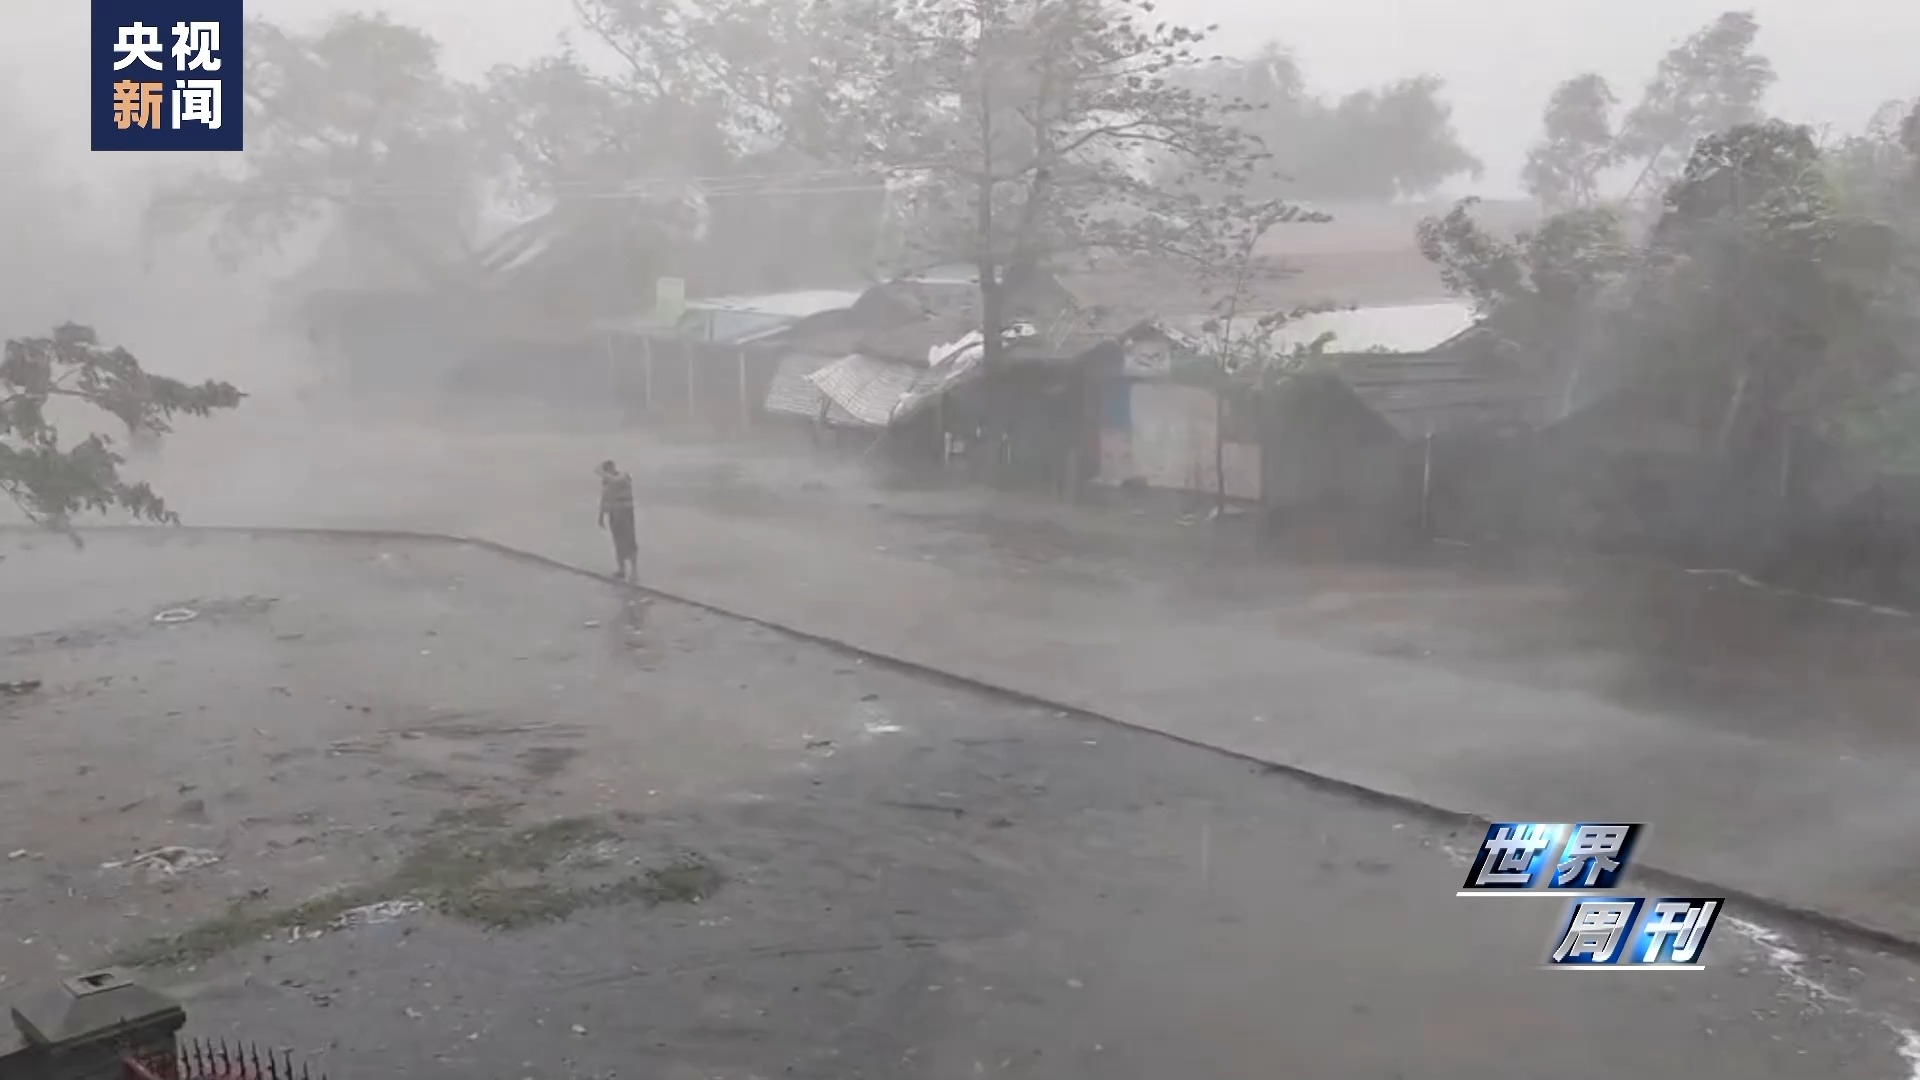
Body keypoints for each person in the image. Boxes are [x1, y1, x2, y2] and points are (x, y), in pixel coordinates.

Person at [597, 460, 637, 581]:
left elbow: (616, 482)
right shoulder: (607, 482)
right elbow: (604, 499)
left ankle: (634, 569)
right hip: (614, 513)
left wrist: (600, 472)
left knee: (629, 540)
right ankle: (622, 569)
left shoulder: (623, 477)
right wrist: (601, 516)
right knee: (618, 541)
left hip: (625, 512)